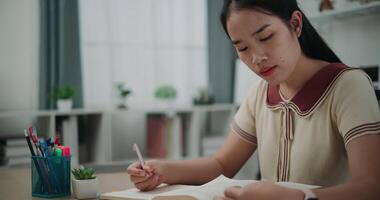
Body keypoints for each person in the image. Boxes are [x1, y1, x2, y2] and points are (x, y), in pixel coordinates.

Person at [127, 0, 380, 199]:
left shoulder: (348, 85)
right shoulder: (260, 93)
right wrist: (163, 171)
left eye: (266, 37)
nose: (257, 58)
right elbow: (222, 164)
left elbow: (371, 187)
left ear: (295, 24)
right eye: (243, 48)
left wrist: (298, 197)